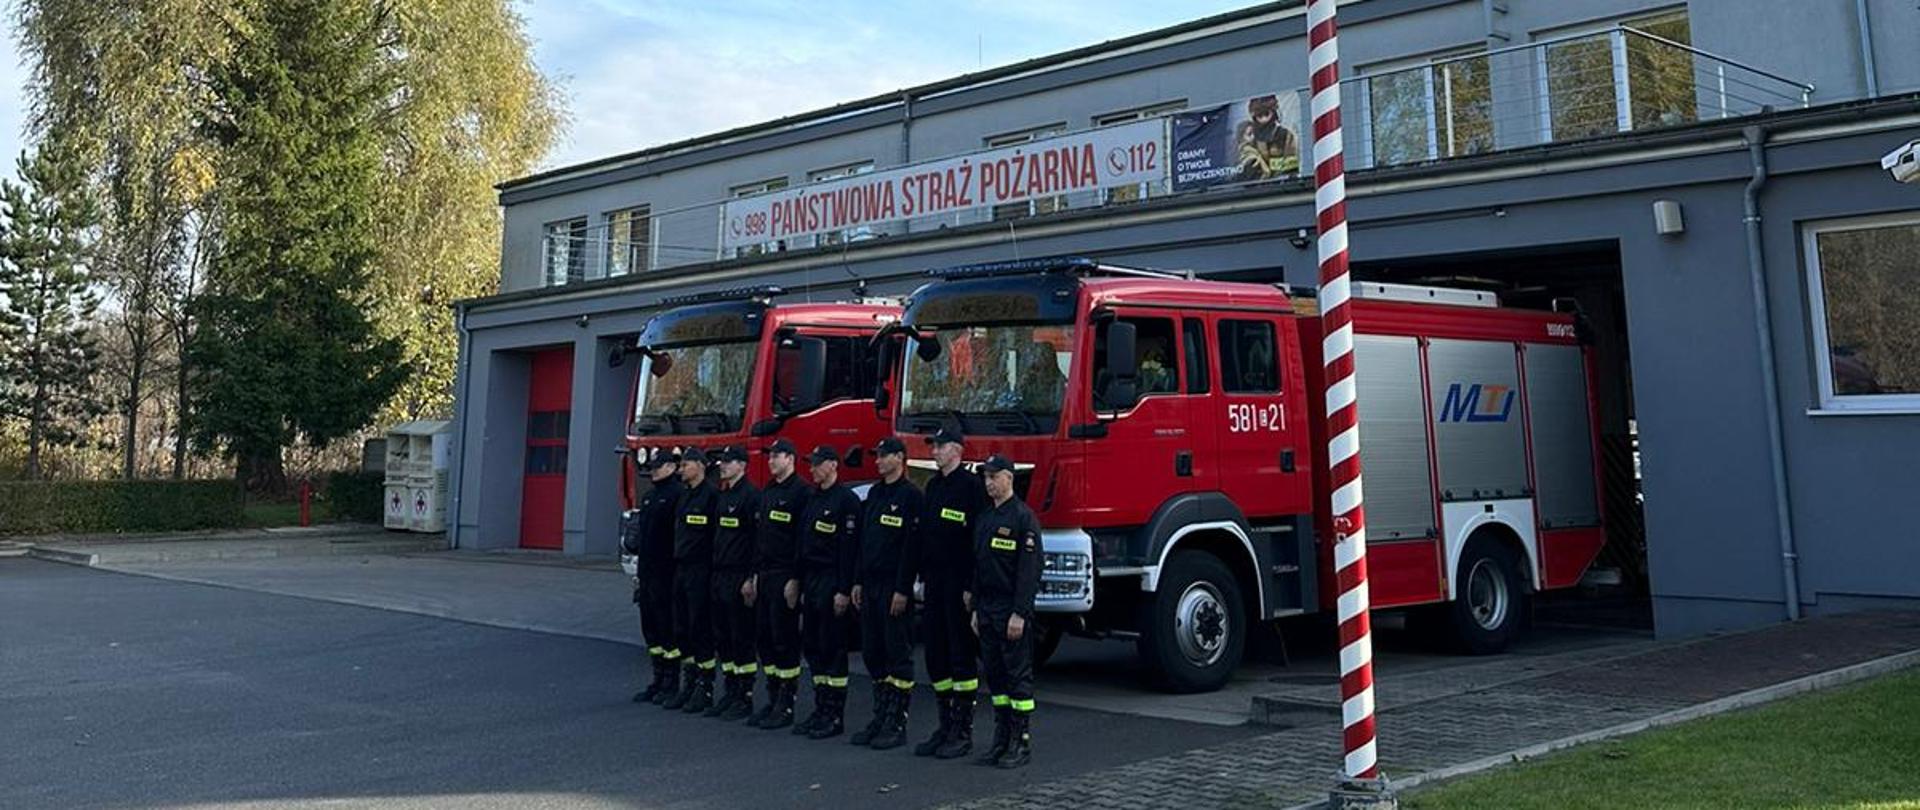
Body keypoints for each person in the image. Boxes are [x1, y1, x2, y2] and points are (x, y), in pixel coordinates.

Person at [913, 428, 988, 759]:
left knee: (960, 655)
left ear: (956, 450)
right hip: (934, 582)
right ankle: (944, 725)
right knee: (936, 654)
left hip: (959, 584)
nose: (935, 451)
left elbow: (979, 541)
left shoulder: (971, 487)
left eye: (940, 446)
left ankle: (962, 730)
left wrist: (973, 586)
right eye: (934, 446)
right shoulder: (933, 486)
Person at [850, 436, 924, 750]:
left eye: (883, 456)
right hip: (871, 585)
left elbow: (911, 549)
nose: (877, 461)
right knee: (873, 652)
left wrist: (902, 588)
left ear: (899, 458)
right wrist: (857, 580)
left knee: (897, 654)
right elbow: (863, 543)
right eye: (876, 456)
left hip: (894, 588)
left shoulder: (911, 497)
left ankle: (897, 722)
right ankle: (880, 716)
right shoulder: (876, 494)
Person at [972, 454, 1043, 769]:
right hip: (987, 609)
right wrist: (975, 607)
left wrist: (1020, 613)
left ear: (1009, 479)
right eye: (986, 477)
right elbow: (978, 566)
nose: (989, 483)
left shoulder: (1023, 518)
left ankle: (1021, 742)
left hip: (1010, 610)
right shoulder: (986, 517)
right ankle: (1001, 738)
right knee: (996, 679)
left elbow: (1029, 572)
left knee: (1018, 678)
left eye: (994, 477)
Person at [793, 445, 860, 740]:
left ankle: (835, 715)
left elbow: (849, 551)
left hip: (833, 580)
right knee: (814, 646)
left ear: (833, 466)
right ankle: (821, 708)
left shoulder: (846, 501)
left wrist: (844, 590)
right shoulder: (812, 498)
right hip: (812, 580)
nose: (812, 469)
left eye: (818, 464)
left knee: (833, 649)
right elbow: (802, 543)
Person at [748, 438, 809, 729]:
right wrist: (755, 575)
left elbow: (801, 541)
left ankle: (787, 703)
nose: (771, 461)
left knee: (784, 638)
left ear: (791, 459)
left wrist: (796, 579)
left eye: (777, 456)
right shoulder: (768, 492)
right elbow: (760, 539)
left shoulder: (801, 493)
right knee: (765, 637)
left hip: (786, 575)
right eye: (770, 456)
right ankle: (773, 698)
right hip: (766, 574)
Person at [661, 447, 721, 713]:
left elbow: (715, 539)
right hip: (681, 569)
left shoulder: (711, 497)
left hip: (701, 570)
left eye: (686, 465)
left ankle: (705, 688)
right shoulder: (684, 496)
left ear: (700, 466)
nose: (682, 469)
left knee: (700, 628)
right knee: (681, 628)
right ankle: (690, 684)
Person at [706, 445, 760, 721]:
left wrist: (750, 578)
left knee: (741, 636)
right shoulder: (724, 496)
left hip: (739, 576)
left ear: (742, 465)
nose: (722, 467)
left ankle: (745, 695)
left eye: (728, 463)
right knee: (723, 636)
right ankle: (730, 690)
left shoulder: (751, 497)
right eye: (721, 463)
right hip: (719, 574)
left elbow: (755, 542)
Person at [625, 451, 683, 704]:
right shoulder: (649, 497)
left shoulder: (677, 496)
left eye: (658, 466)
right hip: (648, 573)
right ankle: (658, 678)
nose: (654, 470)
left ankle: (671, 682)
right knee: (651, 630)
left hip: (666, 574)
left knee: (668, 628)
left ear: (672, 467)